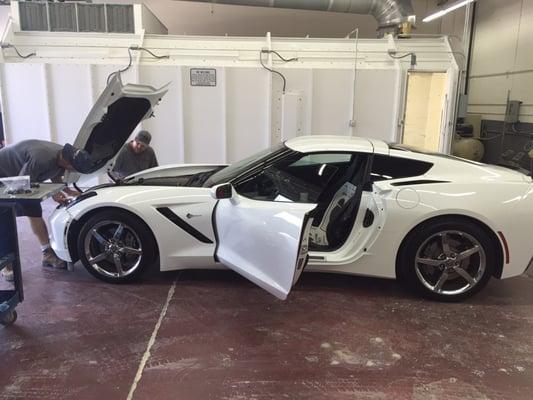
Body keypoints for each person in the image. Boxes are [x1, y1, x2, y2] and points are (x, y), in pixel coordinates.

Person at [0, 139, 92, 281]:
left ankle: (47, 254)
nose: (70, 170)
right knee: (4, 215)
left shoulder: (65, 154)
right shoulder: (41, 158)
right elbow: (22, 183)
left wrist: (66, 190)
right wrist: (52, 193)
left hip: (21, 175)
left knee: (34, 211)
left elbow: (56, 172)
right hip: (4, 172)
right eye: (72, 168)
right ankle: (6, 263)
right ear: (67, 161)